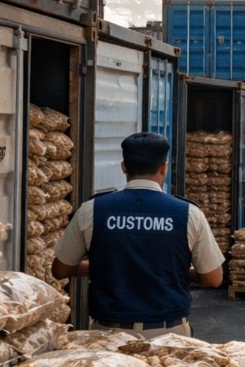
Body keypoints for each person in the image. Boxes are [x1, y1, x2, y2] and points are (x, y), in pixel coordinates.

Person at [51, 132, 224, 338]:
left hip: (107, 335)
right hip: (169, 335)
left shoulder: (92, 210)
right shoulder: (188, 213)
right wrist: (168, 269)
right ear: (164, 168)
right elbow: (213, 278)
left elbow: (60, 270)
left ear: (124, 167)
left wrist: (110, 267)